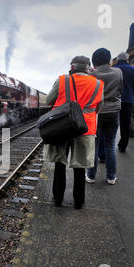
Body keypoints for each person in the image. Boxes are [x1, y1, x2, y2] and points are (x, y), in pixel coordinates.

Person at [45, 56, 104, 209]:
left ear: (72, 67)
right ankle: (79, 202)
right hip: (86, 128)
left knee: (60, 164)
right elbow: (99, 108)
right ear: (88, 68)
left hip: (62, 127)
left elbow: (49, 101)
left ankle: (57, 199)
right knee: (80, 166)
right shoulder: (98, 84)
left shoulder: (62, 80)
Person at [86, 48, 123, 185]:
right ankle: (111, 177)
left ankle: (91, 176)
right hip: (114, 111)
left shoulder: (92, 75)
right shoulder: (118, 72)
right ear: (109, 60)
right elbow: (121, 90)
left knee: (94, 146)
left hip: (96, 113)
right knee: (110, 145)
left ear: (94, 62)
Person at [113, 52, 134, 152]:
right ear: (127, 59)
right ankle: (123, 145)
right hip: (127, 100)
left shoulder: (113, 69)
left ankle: (108, 146)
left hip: (113, 99)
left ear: (117, 59)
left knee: (111, 123)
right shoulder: (133, 70)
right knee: (125, 124)